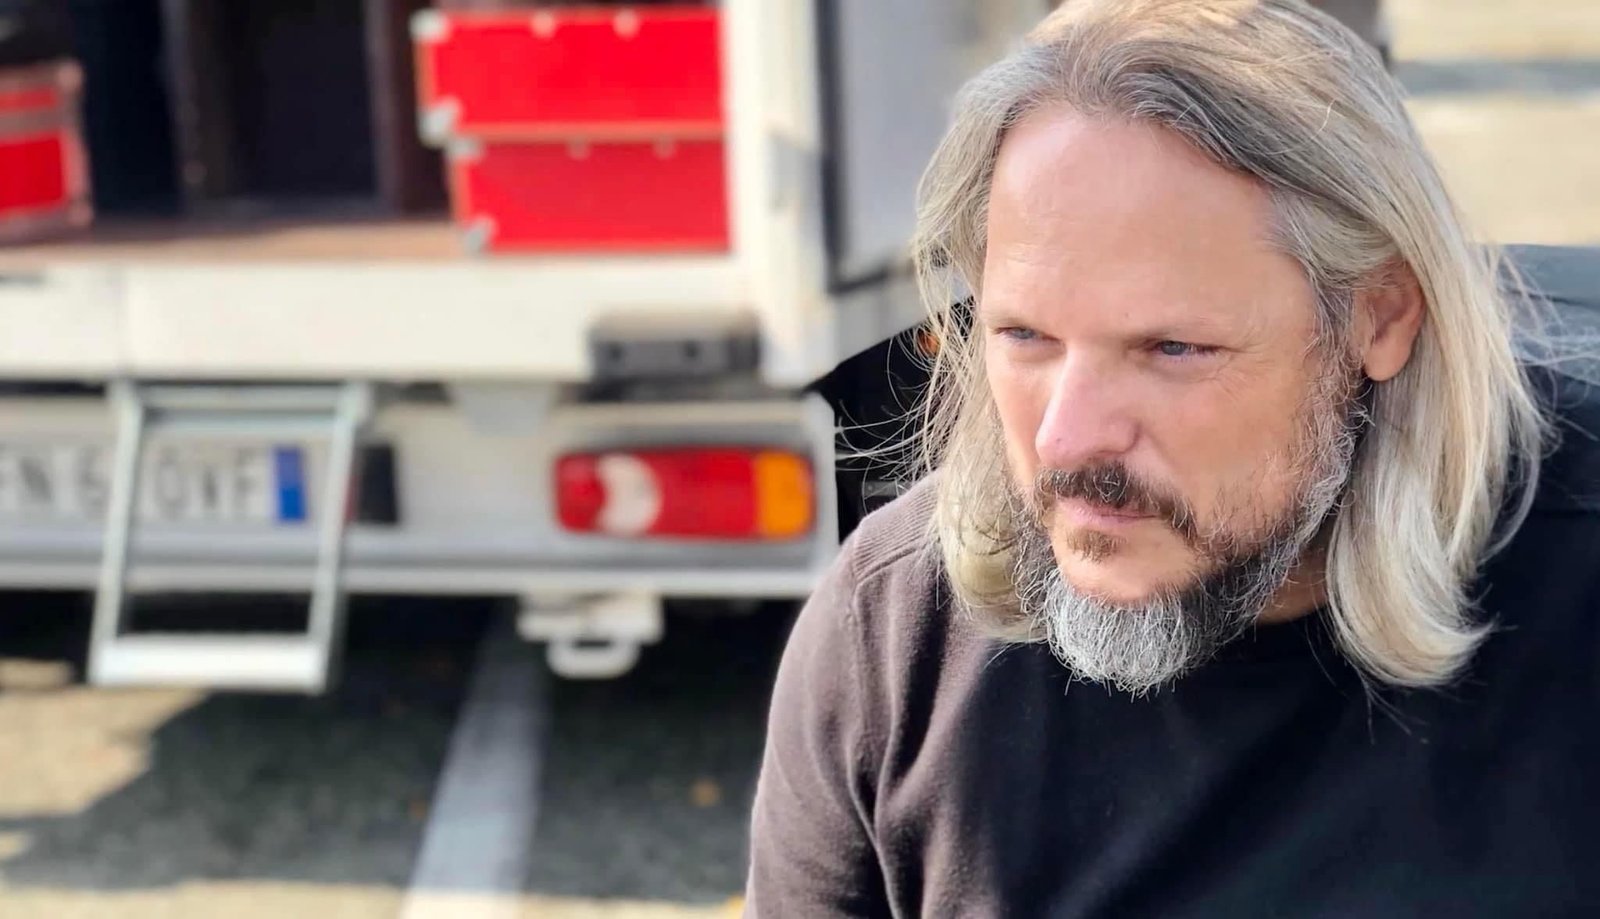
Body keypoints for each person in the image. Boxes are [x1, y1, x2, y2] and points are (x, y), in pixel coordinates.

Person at [745, 0, 1600, 915]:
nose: (1066, 438)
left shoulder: (1575, 590)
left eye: (1172, 349)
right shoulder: (895, 634)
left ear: (1379, 317)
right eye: (1025, 336)